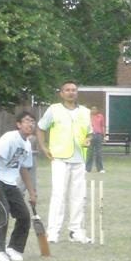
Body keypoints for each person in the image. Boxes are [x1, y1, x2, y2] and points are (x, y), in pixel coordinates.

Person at [36, 81, 92, 244]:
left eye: (73, 90)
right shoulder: (54, 110)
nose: (70, 93)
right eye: (67, 90)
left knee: (78, 196)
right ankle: (53, 232)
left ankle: (75, 231)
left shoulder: (85, 112)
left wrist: (88, 140)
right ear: (61, 93)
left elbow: (89, 133)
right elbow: (40, 127)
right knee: (58, 195)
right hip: (59, 158)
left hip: (79, 158)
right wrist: (43, 146)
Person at [0, 111, 37, 261]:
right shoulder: (10, 138)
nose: (30, 124)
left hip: (10, 182)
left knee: (24, 215)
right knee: (3, 211)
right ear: (19, 124)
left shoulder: (27, 144)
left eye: (32, 121)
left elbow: (23, 169)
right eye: (26, 121)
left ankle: (13, 248)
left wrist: (32, 192)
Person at [85, 106, 106, 176]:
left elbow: (103, 126)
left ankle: (100, 168)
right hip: (90, 135)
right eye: (92, 109)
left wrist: (104, 136)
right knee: (89, 153)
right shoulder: (88, 117)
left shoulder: (100, 116)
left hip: (98, 135)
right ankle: (87, 169)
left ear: (97, 110)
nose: (94, 110)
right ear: (90, 110)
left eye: (95, 109)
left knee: (98, 153)